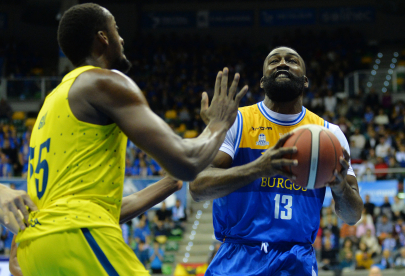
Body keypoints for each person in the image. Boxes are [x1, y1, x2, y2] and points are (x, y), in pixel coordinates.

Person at [14, 3, 247, 276]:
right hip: (77, 235)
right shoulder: (104, 81)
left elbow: (105, 208)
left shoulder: (53, 102)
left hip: (37, 249)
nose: (122, 39)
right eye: (116, 29)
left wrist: (172, 182)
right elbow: (187, 161)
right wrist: (218, 126)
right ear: (103, 38)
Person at [190, 46, 363, 275]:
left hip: (296, 259)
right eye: (274, 61)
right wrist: (258, 168)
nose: (282, 63)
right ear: (262, 81)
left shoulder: (329, 135)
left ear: (305, 81)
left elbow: (353, 216)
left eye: (291, 60)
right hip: (239, 256)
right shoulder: (236, 121)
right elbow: (197, 187)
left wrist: (340, 186)